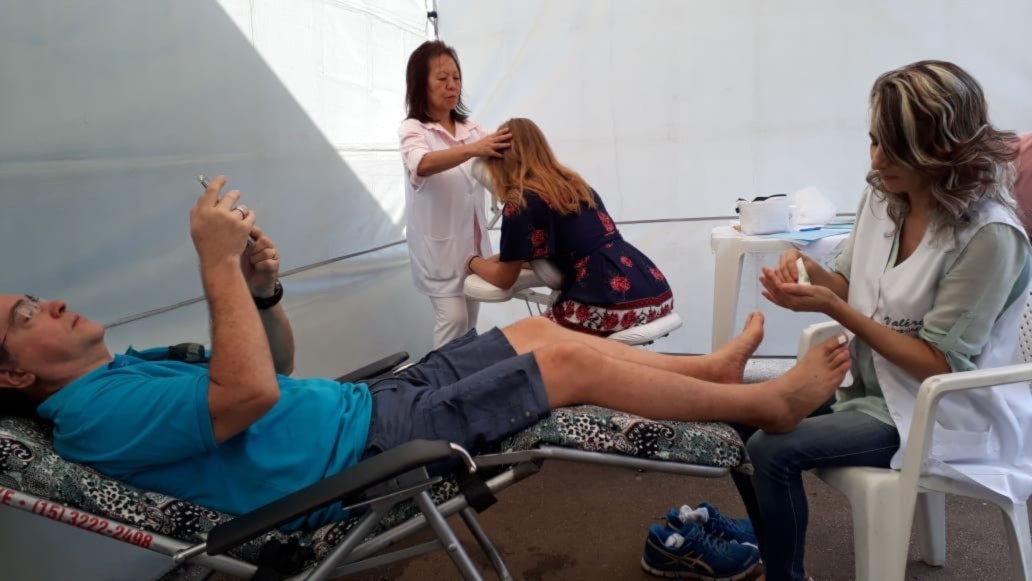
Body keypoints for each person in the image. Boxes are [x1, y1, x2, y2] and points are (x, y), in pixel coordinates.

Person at [0, 175, 853, 537]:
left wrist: (259, 293)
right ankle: (763, 405)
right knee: (565, 370)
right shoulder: (93, 414)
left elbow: (271, 368)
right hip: (360, 457)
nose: (54, 303)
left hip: (364, 409)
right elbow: (249, 396)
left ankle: (710, 372)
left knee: (540, 334)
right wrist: (214, 261)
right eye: (25, 314)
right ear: (14, 374)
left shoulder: (123, 371)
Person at [716, 61, 1031, 581]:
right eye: (874, 141)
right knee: (737, 415)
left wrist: (834, 309)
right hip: (866, 387)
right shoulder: (884, 197)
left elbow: (939, 364)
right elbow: (846, 280)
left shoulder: (989, 236)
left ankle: (784, 574)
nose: (876, 160)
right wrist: (807, 274)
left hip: (938, 412)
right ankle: (773, 550)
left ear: (941, 147)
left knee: (772, 450)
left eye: (894, 146)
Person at [467, 118, 674, 336]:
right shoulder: (575, 185)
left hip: (612, 302)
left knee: (532, 337)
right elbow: (571, 250)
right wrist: (504, 259)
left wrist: (472, 262)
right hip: (654, 291)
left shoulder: (520, 203)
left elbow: (503, 279)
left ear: (501, 160)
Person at [398, 40, 512, 348]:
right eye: (442, 78)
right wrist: (474, 149)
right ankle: (438, 379)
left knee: (469, 324)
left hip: (472, 247)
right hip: (439, 250)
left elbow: (500, 150)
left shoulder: (470, 128)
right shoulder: (413, 129)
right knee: (453, 320)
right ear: (420, 83)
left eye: (456, 77)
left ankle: (462, 376)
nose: (452, 85)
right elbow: (421, 163)